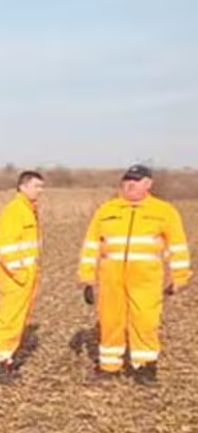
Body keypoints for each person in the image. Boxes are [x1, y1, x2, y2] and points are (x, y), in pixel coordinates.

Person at [77, 164, 191, 384]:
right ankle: (109, 367)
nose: (130, 184)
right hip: (111, 278)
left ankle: (144, 367)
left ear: (148, 184)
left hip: (145, 279)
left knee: (145, 322)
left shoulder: (164, 211)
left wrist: (179, 277)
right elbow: (91, 245)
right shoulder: (106, 210)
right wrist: (86, 278)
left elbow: (177, 247)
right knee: (110, 321)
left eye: (136, 180)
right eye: (127, 180)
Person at [0, 170, 45, 384]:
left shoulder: (29, 210)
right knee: (8, 320)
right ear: (23, 186)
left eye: (41, 187)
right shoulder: (14, 211)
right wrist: (20, 274)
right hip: (15, 277)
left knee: (18, 321)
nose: (40, 190)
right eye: (36, 186)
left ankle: (6, 360)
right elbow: (7, 247)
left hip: (26, 277)